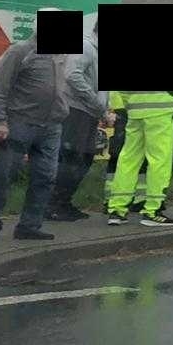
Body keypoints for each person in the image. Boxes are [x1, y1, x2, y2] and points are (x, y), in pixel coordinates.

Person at [0, 19, 70, 241]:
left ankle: (29, 225)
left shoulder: (60, 55)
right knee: (4, 174)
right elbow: (0, 88)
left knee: (45, 176)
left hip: (52, 125)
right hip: (20, 122)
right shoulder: (21, 51)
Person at [48, 19, 113, 222]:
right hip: (76, 110)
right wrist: (96, 104)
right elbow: (72, 76)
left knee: (83, 157)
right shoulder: (86, 47)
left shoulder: (95, 50)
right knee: (72, 157)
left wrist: (102, 110)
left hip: (88, 112)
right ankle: (53, 204)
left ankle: (62, 202)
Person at [106, 92, 173, 226]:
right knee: (159, 161)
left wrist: (130, 103)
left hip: (135, 111)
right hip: (161, 110)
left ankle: (117, 209)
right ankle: (152, 210)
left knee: (128, 160)